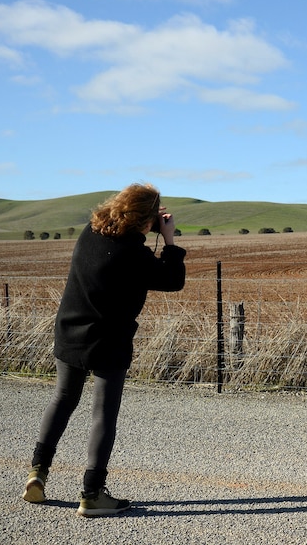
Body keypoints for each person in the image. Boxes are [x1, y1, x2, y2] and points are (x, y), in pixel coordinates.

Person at [21, 183, 186, 517]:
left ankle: (37, 472)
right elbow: (172, 280)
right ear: (147, 217)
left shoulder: (90, 233)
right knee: (103, 414)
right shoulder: (134, 254)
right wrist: (168, 240)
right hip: (109, 340)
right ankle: (92, 494)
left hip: (69, 332)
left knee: (63, 399)